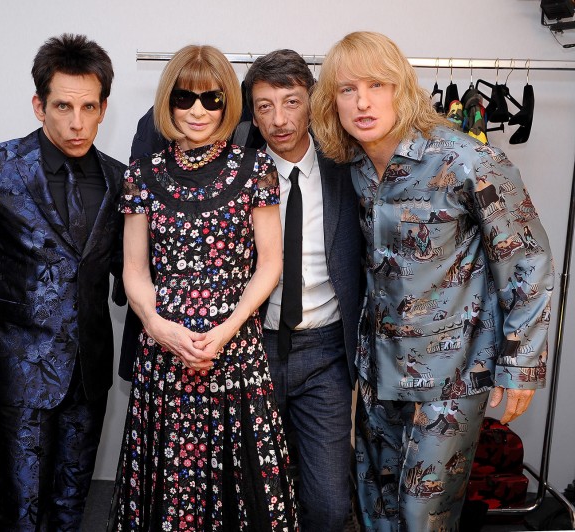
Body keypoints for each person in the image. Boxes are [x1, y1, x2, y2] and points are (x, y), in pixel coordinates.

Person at [310, 31, 555, 531]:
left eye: (377, 84)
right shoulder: (351, 166)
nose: (362, 102)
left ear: (403, 88)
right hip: (378, 373)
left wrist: (520, 365)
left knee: (425, 515)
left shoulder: (468, 160)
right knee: (376, 505)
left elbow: (528, 261)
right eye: (347, 89)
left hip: (452, 375)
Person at [109, 44, 296, 531]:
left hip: (234, 352)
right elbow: (134, 270)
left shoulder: (257, 169)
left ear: (227, 103)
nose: (197, 111)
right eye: (185, 98)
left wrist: (228, 329)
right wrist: (157, 326)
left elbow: (271, 264)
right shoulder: (142, 174)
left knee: (244, 486)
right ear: (167, 102)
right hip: (164, 352)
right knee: (169, 482)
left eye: (212, 99)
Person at [0, 34, 125, 531]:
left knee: (71, 505)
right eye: (62, 106)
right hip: (18, 368)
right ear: (39, 105)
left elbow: (131, 270)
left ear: (103, 109)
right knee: (20, 507)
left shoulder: (121, 179)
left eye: (88, 107)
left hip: (89, 369)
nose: (76, 123)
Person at [242, 49, 362, 531]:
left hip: (326, 354)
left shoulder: (347, 166)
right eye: (265, 106)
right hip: (252, 347)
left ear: (312, 102)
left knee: (331, 505)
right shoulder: (239, 173)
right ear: (252, 114)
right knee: (252, 494)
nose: (279, 119)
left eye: (290, 102)